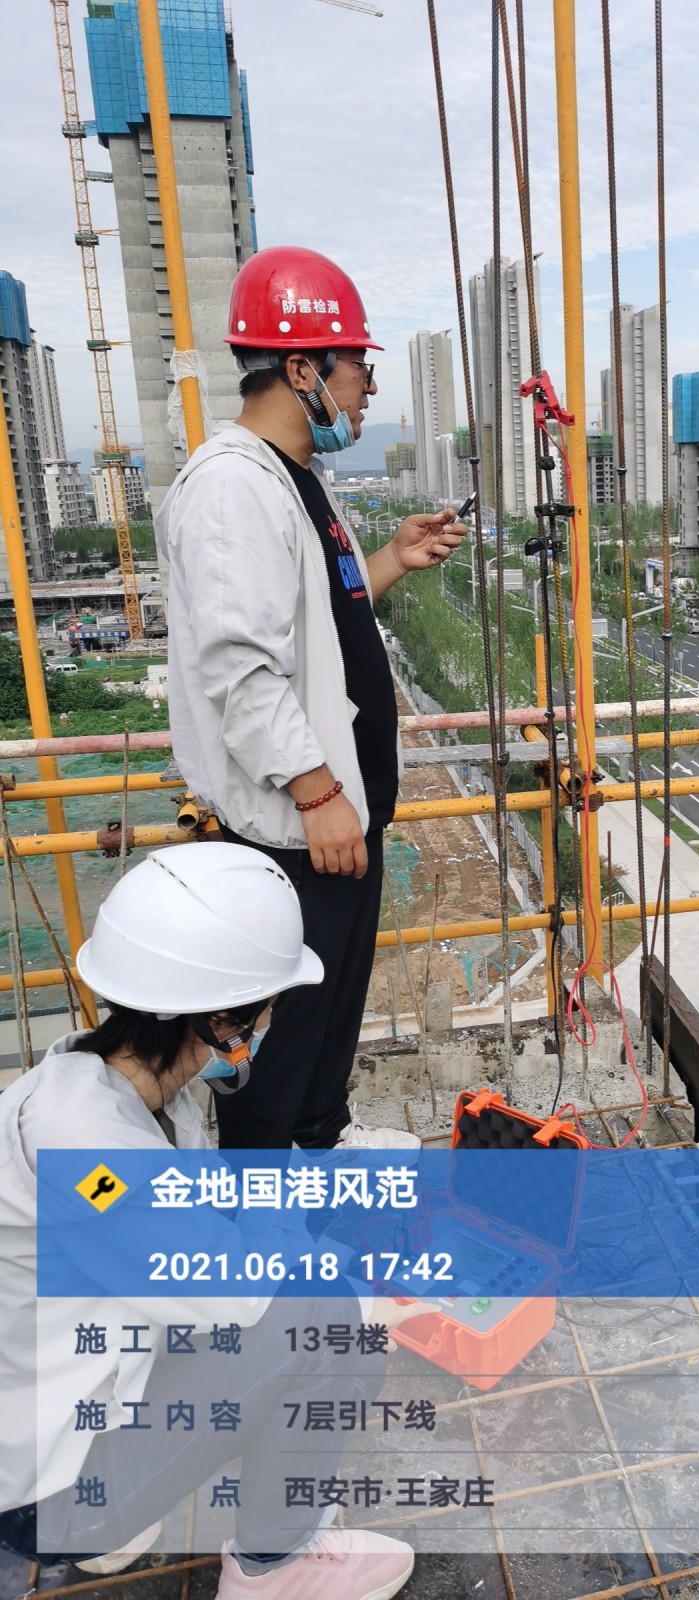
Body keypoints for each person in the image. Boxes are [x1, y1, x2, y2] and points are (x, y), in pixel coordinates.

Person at [0, 843, 430, 1596]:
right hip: (38, 1495)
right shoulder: (96, 1159)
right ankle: (276, 1566)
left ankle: (125, 1497)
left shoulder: (95, 1085)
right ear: (224, 1019)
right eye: (268, 1008)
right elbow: (240, 1294)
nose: (272, 1024)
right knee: (331, 1324)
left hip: (49, 1403)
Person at [157, 246, 465, 1152]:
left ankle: (320, 1161)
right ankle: (266, 1233)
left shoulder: (300, 482)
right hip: (291, 834)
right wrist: (319, 792)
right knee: (275, 1045)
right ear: (302, 369)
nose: (367, 386)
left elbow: (316, 625)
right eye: (357, 366)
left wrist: (391, 562)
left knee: (327, 1025)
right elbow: (241, 666)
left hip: (336, 826)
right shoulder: (231, 489)